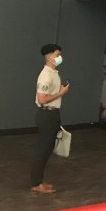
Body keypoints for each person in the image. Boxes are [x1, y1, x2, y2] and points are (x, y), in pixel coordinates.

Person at [31, 43, 69, 194]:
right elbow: (42, 99)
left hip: (53, 114)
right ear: (49, 57)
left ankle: (39, 181)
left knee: (47, 149)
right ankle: (35, 183)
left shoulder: (54, 73)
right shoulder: (45, 74)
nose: (59, 58)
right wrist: (61, 93)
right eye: (57, 55)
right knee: (43, 149)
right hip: (46, 115)